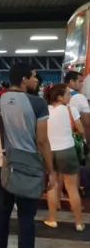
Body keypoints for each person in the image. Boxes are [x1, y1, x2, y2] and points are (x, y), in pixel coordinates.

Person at [0, 64, 56, 248]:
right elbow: (43, 141)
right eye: (34, 77)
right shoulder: (38, 103)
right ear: (24, 79)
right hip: (29, 167)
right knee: (27, 220)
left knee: (2, 213)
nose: (37, 80)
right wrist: (51, 170)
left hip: (2, 165)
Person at [43, 83, 85, 232]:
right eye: (68, 94)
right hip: (67, 150)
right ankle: (79, 222)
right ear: (60, 97)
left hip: (50, 152)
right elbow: (80, 129)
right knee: (72, 188)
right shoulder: (70, 110)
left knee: (53, 185)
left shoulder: (45, 110)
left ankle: (52, 219)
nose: (70, 96)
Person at [64, 71, 90, 142]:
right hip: (73, 139)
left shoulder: (56, 93)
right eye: (80, 81)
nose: (82, 84)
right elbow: (87, 123)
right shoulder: (79, 97)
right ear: (72, 81)